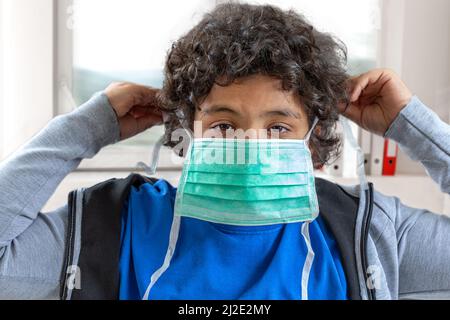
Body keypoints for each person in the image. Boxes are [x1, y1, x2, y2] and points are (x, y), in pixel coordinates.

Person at [0, 2, 449, 300]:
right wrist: (87, 126)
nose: (251, 147)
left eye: (277, 127)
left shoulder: (369, 232)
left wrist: (411, 125)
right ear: (185, 130)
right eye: (222, 125)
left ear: (313, 137)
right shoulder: (116, 222)